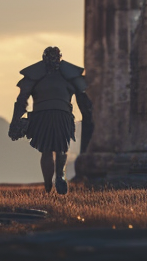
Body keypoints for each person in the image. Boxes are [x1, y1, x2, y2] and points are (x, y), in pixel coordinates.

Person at [8, 46, 94, 194]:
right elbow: (82, 97)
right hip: (56, 114)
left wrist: (16, 120)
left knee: (48, 150)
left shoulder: (37, 74)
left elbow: (22, 99)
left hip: (48, 115)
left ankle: (51, 182)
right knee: (60, 148)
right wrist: (88, 116)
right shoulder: (68, 74)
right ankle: (56, 178)